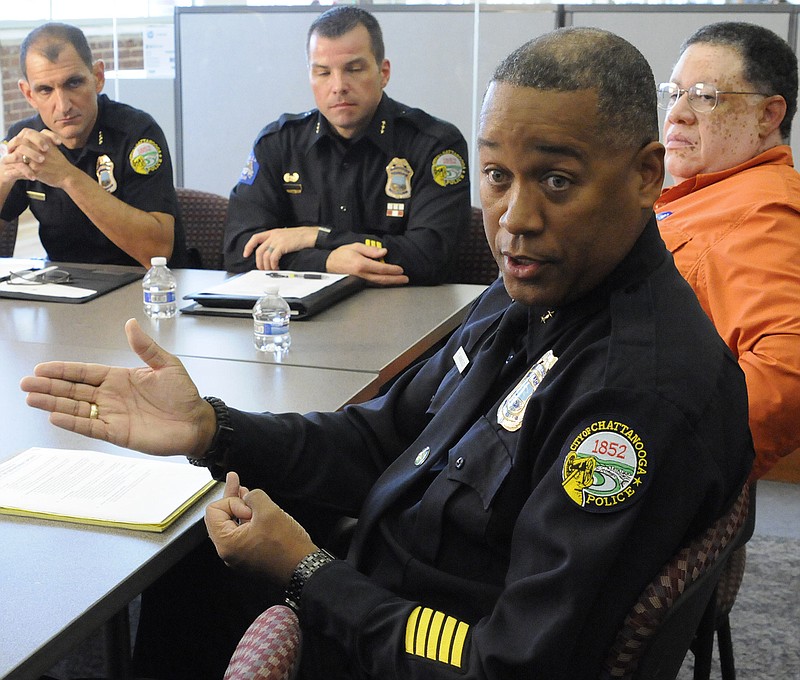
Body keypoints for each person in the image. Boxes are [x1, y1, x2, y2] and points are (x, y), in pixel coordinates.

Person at [21, 27, 753, 679]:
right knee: (191, 563)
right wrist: (213, 428)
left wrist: (308, 571)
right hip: (389, 576)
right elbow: (380, 434)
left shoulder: (632, 399)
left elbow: (510, 661)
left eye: (557, 181)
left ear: (645, 177)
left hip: (422, 643)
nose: (515, 221)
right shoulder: (533, 288)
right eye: (498, 178)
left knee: (193, 580)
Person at [223, 6, 470, 286]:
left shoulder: (434, 144)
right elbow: (238, 251)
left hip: (404, 315)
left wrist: (316, 236)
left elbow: (431, 256)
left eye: (353, 69)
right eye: (323, 73)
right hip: (301, 320)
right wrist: (327, 262)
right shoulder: (279, 144)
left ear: (383, 72)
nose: (338, 86)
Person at [655, 21, 800, 480]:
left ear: (768, 116)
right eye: (674, 93)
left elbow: (788, 369)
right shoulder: (707, 192)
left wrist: (661, 458)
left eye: (704, 96)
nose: (677, 114)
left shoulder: (764, 212)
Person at [0, 23, 186, 268]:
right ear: (28, 94)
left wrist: (67, 176)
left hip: (145, 287)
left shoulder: (137, 133)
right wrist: (3, 179)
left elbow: (157, 252)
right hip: (64, 288)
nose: (63, 104)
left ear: (97, 78)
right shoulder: (26, 140)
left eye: (73, 83)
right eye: (45, 90)